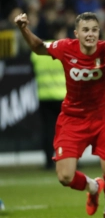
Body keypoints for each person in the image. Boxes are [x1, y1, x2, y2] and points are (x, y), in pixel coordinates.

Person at [14, 12, 105, 218]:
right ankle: (93, 187)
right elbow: (39, 48)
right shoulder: (66, 47)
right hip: (72, 119)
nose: (90, 34)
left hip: (102, 118)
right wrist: (23, 29)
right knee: (65, 177)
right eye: (85, 30)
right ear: (77, 33)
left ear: (98, 32)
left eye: (94, 30)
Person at [31, 26, 67, 170]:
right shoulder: (63, 50)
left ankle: (48, 161)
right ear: (58, 33)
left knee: (47, 130)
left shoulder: (36, 54)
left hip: (44, 95)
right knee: (66, 130)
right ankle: (68, 159)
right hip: (62, 96)